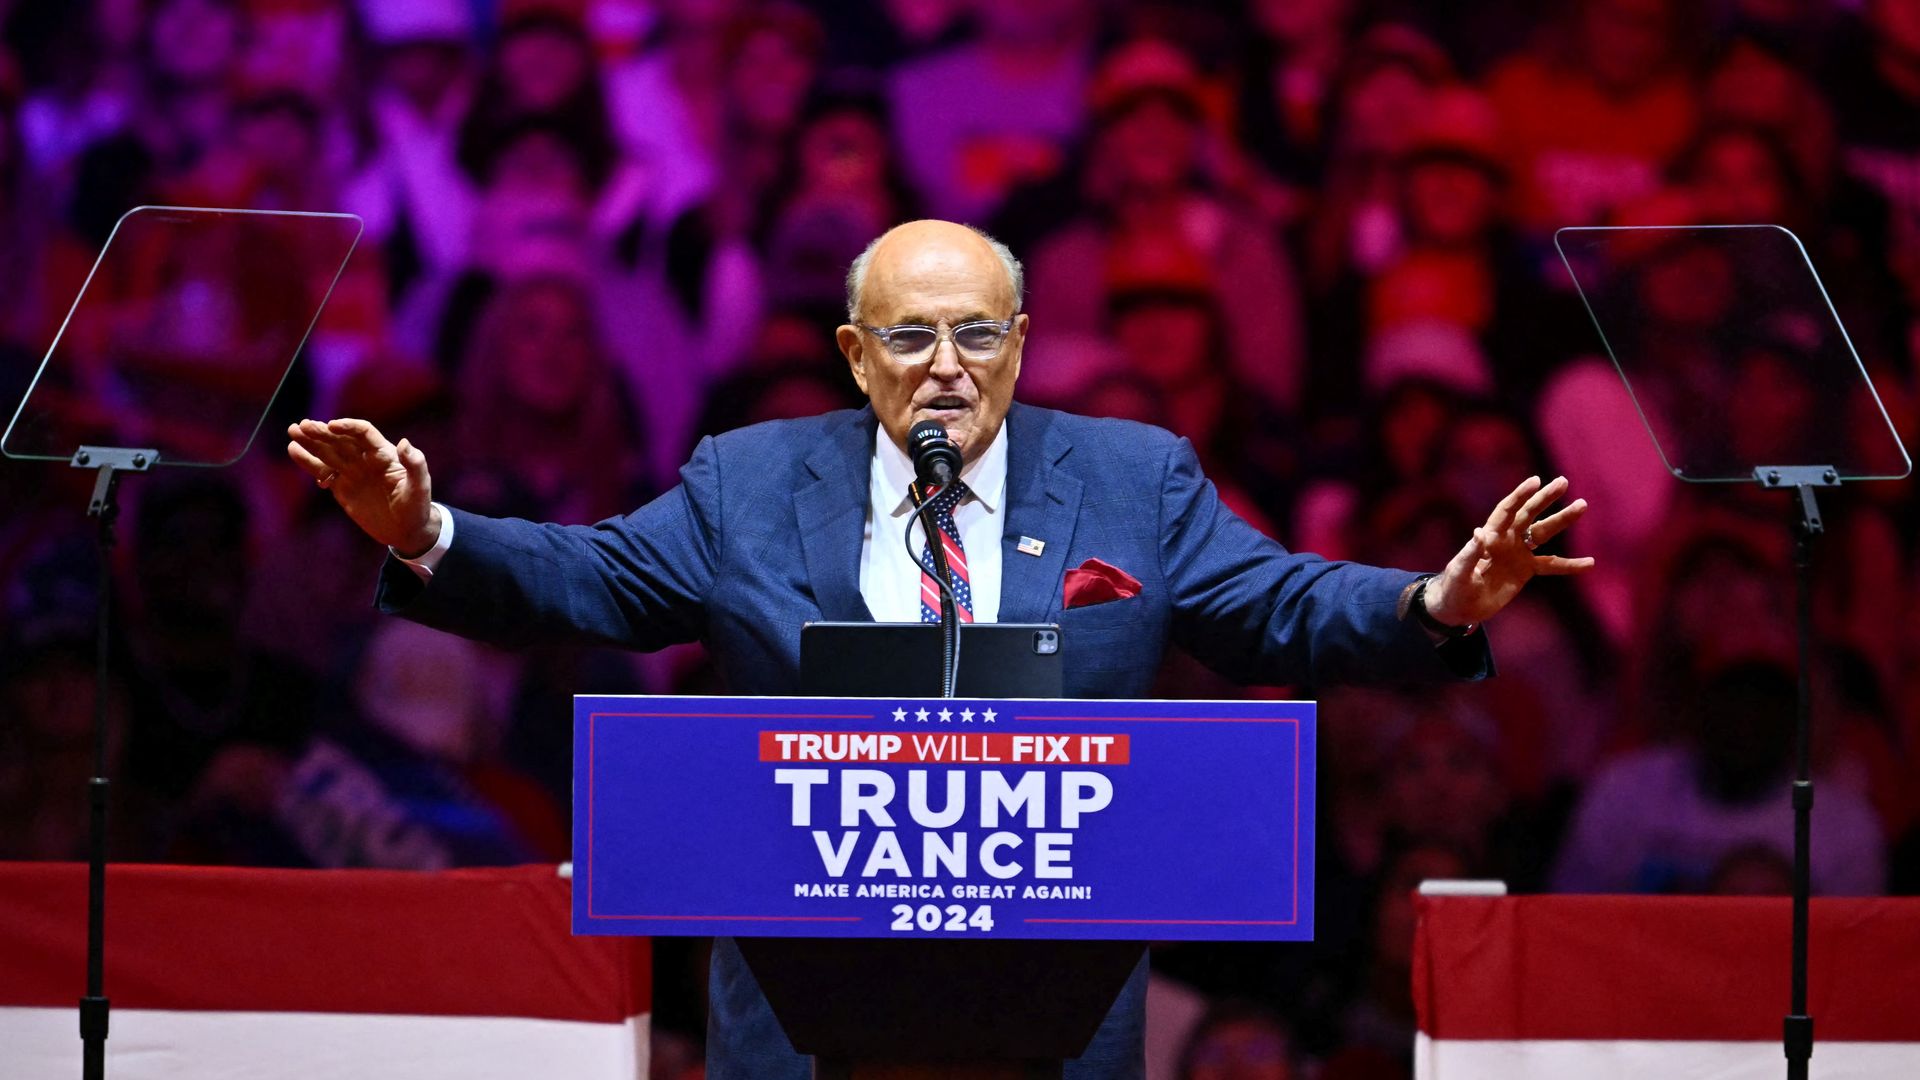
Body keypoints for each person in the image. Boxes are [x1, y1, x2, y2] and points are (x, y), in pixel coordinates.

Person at [286, 219, 1591, 1079]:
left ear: (1020, 344)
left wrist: (1438, 599)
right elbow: (593, 578)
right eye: (912, 335)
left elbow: (1283, 602)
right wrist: (425, 530)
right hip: (802, 1007)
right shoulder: (750, 480)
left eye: (979, 332)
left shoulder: (1133, 480)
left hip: (1054, 1001)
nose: (949, 365)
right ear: (856, 355)